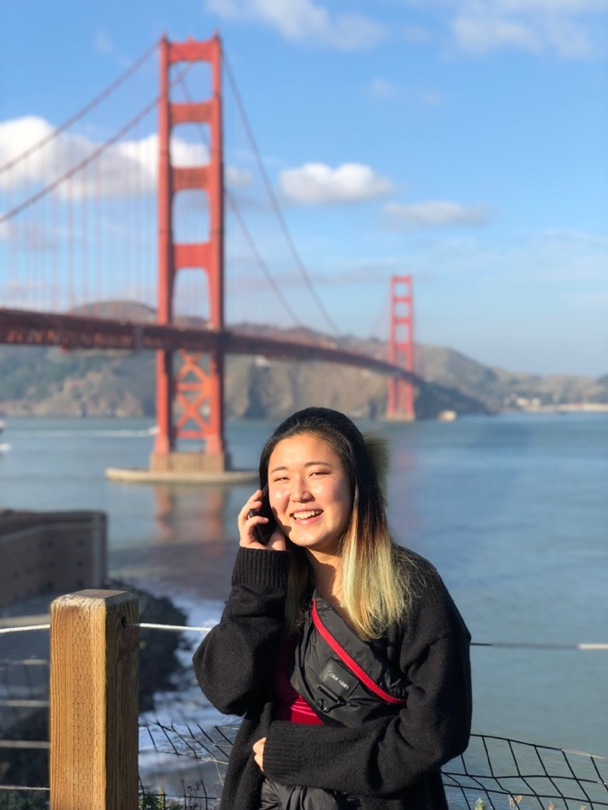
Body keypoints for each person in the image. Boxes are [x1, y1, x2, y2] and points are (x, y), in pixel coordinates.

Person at [193, 407, 472, 810]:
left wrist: (298, 754)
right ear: (264, 499)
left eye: (318, 473)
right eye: (281, 479)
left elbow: (436, 735)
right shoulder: (273, 584)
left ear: (357, 482)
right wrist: (255, 579)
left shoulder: (412, 588)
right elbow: (225, 690)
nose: (298, 494)